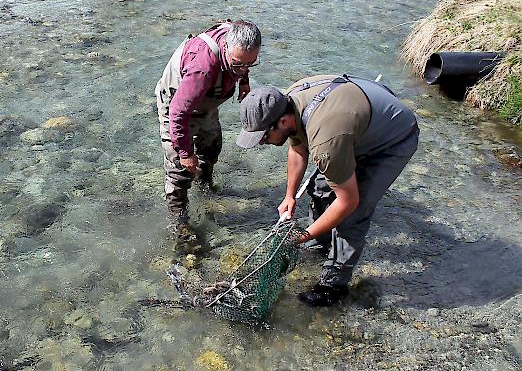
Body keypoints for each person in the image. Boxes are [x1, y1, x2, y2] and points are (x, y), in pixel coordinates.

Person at [236, 74, 419, 306]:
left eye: (262, 136)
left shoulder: (326, 142)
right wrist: (289, 196)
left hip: (393, 140)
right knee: (320, 187)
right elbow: (298, 148)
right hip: (355, 121)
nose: (261, 142)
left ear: (282, 121)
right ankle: (321, 242)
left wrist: (304, 235)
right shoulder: (289, 101)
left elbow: (348, 202)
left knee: (353, 215)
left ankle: (333, 286)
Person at [155, 20, 261, 228]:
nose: (243, 69)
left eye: (250, 63)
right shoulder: (201, 69)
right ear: (226, 48)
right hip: (177, 105)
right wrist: (185, 153)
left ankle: (204, 187)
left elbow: (243, 61)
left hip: (205, 102)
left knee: (211, 148)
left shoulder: (239, 42)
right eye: (238, 64)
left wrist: (244, 80)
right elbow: (178, 113)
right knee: (179, 171)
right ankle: (180, 224)